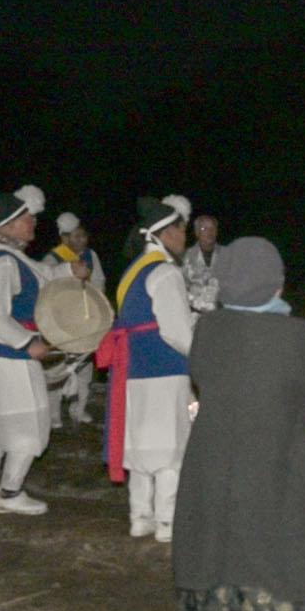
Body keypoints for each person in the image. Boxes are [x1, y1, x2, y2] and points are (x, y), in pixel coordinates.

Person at [172, 236, 305, 611]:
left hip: (213, 471)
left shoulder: (209, 329)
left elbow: (200, 373)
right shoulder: (293, 335)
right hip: (276, 469)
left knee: (215, 564)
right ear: (274, 282)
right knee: (279, 568)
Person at [0, 185, 62, 515]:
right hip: (9, 353)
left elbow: (42, 274)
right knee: (29, 422)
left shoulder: (6, 253)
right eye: (27, 217)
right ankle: (9, 493)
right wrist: (27, 342)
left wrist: (67, 271)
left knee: (2, 421)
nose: (34, 222)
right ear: (9, 224)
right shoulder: (2, 261)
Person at [97, 199, 195, 540]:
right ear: (165, 233)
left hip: (133, 370)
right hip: (166, 369)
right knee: (170, 447)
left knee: (139, 446)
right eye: (182, 230)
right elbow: (177, 332)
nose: (185, 237)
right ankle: (167, 522)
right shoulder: (166, 272)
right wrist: (204, 357)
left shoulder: (132, 270)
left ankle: (140, 517)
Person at [46, 212, 106, 428]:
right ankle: (53, 413)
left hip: (86, 319)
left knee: (84, 367)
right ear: (64, 237)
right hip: (61, 322)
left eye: (83, 236)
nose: (81, 240)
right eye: (76, 236)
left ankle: (78, 409)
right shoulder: (52, 259)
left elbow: (99, 282)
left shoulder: (91, 255)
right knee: (58, 367)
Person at [182, 213, 222, 312]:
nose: (209, 232)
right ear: (197, 232)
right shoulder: (185, 257)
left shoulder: (227, 255)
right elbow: (180, 287)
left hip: (222, 312)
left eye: (212, 228)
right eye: (204, 229)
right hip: (194, 312)